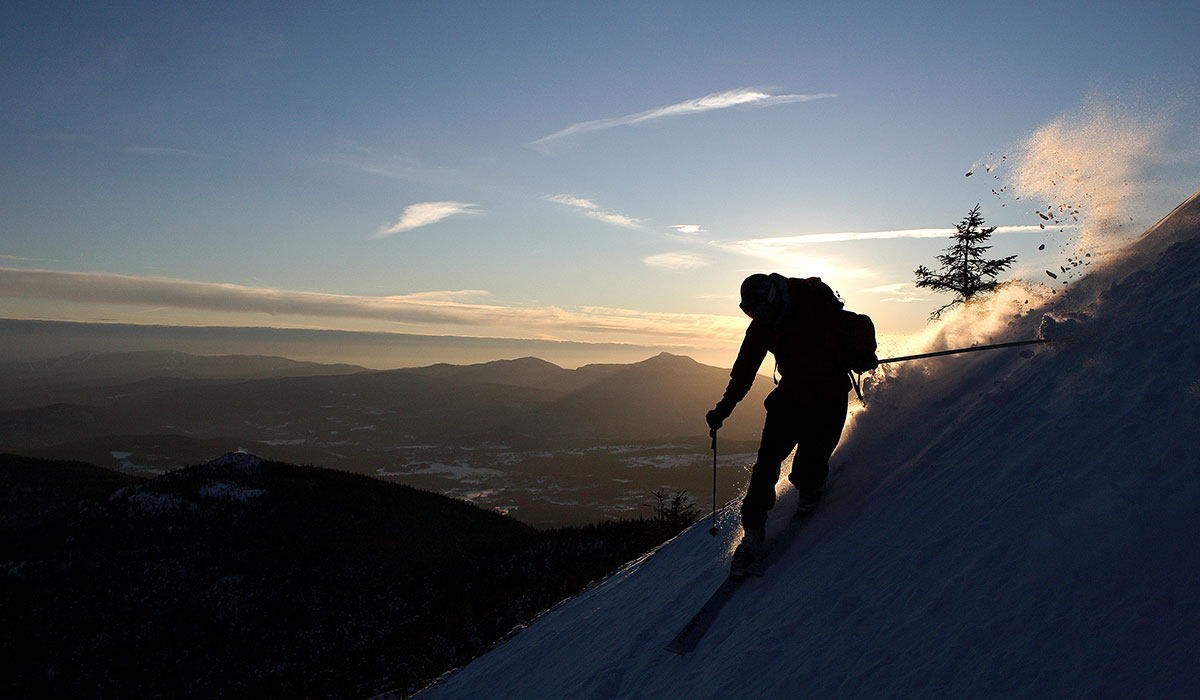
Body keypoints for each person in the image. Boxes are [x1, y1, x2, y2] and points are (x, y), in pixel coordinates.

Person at [706, 273, 877, 575]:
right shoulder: (764, 325)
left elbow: (858, 329)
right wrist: (723, 410)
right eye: (751, 313)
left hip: (828, 398)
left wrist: (863, 357)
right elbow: (744, 372)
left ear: (772, 299)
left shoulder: (817, 310)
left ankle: (811, 487)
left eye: (758, 311)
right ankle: (754, 531)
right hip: (791, 397)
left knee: (808, 466)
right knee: (766, 464)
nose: (756, 317)